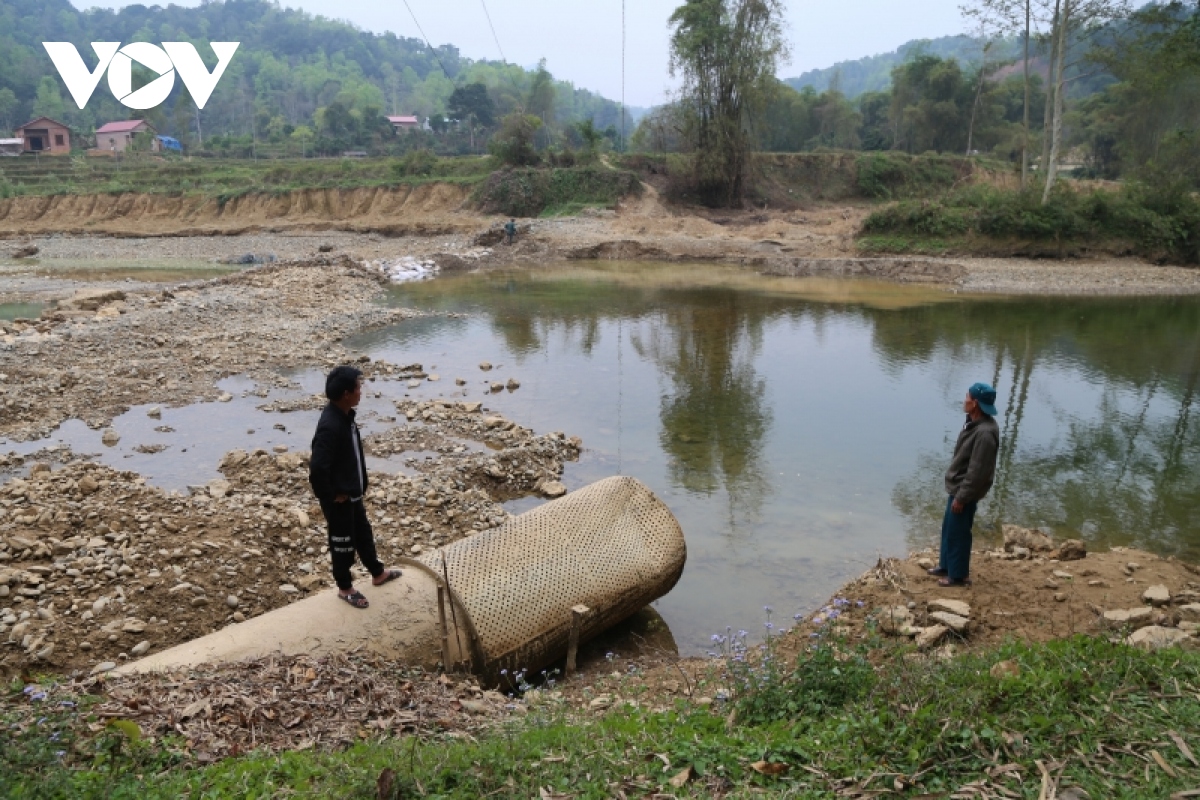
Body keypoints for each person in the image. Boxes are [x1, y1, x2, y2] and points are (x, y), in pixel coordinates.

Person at [309, 365, 401, 608]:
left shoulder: (345, 416)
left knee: (363, 534)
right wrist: (330, 496)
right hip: (340, 500)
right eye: (358, 388)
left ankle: (378, 573)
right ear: (347, 393)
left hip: (352, 494)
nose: (362, 392)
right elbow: (318, 468)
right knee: (342, 543)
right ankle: (345, 588)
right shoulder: (331, 425)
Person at [929, 382, 1000, 588]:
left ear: (975, 403)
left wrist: (962, 497)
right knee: (949, 528)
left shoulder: (985, 433)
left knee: (959, 532)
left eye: (967, 397)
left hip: (965, 491)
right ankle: (946, 565)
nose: (964, 400)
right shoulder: (973, 422)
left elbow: (977, 472)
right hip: (957, 487)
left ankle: (958, 575)